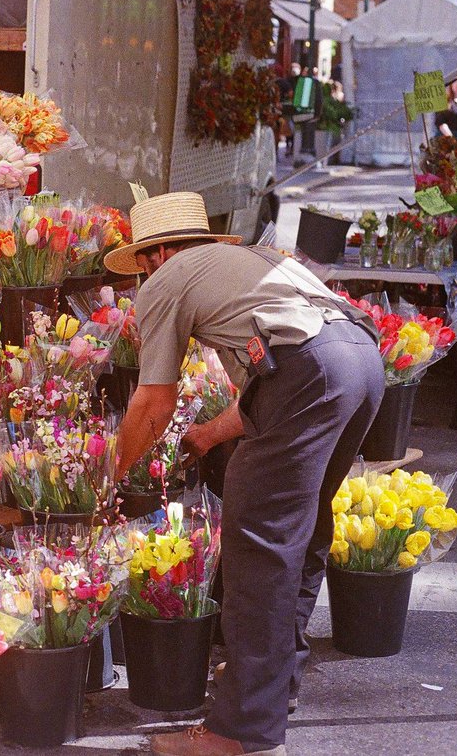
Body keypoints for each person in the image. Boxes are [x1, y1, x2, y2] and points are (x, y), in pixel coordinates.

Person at [104, 192, 384, 756]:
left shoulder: (167, 279)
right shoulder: (250, 262)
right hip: (361, 360)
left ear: (154, 254)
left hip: (312, 371)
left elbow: (153, 402)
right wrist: (205, 435)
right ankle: (272, 694)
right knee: (299, 539)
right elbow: (281, 378)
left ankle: (235, 733)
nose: (140, 275)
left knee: (257, 546)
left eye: (139, 263)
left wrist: (110, 474)